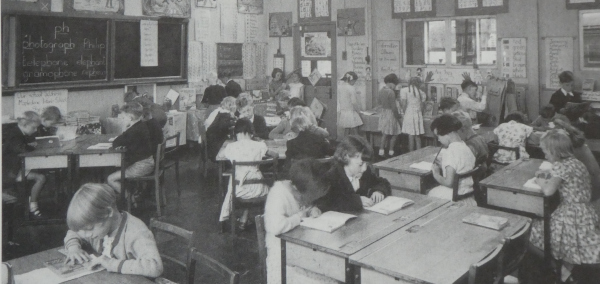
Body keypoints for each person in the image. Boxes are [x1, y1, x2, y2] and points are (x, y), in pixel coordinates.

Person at [528, 130, 600, 282]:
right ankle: (567, 271)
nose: (545, 155)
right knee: (570, 247)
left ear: (555, 152)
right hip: (585, 212)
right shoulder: (575, 162)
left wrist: (539, 176)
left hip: (571, 214)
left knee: (533, 236)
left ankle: (561, 271)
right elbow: (561, 180)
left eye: (546, 152)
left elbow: (548, 190)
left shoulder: (561, 166)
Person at [63, 183, 163, 278]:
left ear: (109, 212)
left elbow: (155, 266)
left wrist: (111, 263)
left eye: (90, 229)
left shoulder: (136, 232)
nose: (86, 235)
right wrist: (73, 248)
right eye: (83, 230)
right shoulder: (94, 229)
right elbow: (74, 232)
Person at [264, 159, 335, 284]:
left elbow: (308, 204)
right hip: (282, 255)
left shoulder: (303, 187)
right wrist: (300, 216)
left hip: (302, 245)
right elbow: (275, 226)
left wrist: (313, 209)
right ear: (297, 188)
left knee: (331, 274)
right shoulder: (278, 193)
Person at [218, 119, 279, 229]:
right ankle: (247, 219)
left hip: (239, 190)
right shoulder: (260, 145)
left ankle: (242, 219)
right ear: (251, 133)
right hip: (259, 189)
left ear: (236, 133)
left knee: (236, 181)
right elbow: (275, 155)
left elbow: (220, 156)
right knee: (258, 178)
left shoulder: (231, 147)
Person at [313, 136, 391, 213]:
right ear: (346, 157)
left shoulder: (365, 172)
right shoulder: (332, 176)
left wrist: (379, 191)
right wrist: (356, 201)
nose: (364, 169)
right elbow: (325, 203)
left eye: (367, 164)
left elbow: (383, 182)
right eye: (360, 164)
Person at [2, 111, 47, 218]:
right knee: (41, 178)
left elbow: (20, 145)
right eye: (33, 128)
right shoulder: (15, 134)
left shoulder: (17, 131)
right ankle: (33, 206)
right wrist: (31, 147)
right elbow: (20, 148)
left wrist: (29, 144)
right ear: (25, 125)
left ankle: (30, 202)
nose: (35, 130)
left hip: (12, 168)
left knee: (38, 173)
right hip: (8, 172)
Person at [427, 114, 477, 205]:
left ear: (447, 134)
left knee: (430, 192)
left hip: (454, 195)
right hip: (467, 194)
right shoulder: (466, 147)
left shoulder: (449, 152)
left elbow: (449, 183)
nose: (438, 139)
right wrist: (445, 164)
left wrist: (436, 174)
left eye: (438, 136)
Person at [107, 103, 154, 194]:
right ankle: (133, 195)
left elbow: (116, 142)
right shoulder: (141, 125)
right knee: (119, 169)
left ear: (130, 118)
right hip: (147, 163)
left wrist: (125, 128)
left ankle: (130, 199)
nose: (122, 120)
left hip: (141, 166)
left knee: (110, 179)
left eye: (124, 118)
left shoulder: (133, 130)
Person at [554, 119, 600, 201]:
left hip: (589, 188)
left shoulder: (571, 148)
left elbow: (562, 167)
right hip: (593, 181)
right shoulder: (577, 142)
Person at [205, 97, 237, 162]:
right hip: (216, 146)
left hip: (211, 141)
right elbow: (224, 127)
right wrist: (234, 123)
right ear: (231, 106)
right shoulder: (225, 115)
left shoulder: (220, 112)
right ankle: (231, 163)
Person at [378, 73, 403, 157]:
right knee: (395, 133)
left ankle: (381, 151)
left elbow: (379, 103)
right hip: (391, 114)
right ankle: (391, 151)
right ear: (389, 82)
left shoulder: (381, 90)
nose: (394, 86)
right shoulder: (391, 92)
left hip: (384, 113)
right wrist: (398, 116)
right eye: (393, 84)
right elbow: (394, 108)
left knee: (385, 133)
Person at [400, 76, 427, 152]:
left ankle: (411, 153)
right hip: (418, 114)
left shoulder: (404, 90)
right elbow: (422, 107)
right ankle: (418, 153)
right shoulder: (421, 92)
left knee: (410, 135)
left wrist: (403, 113)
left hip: (409, 113)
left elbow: (404, 104)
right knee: (417, 135)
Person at [337, 71, 363, 136]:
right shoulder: (351, 88)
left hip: (344, 111)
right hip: (350, 112)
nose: (354, 83)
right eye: (354, 81)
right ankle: (357, 144)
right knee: (355, 131)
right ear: (351, 80)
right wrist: (358, 111)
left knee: (347, 130)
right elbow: (354, 102)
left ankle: (345, 144)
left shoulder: (340, 87)